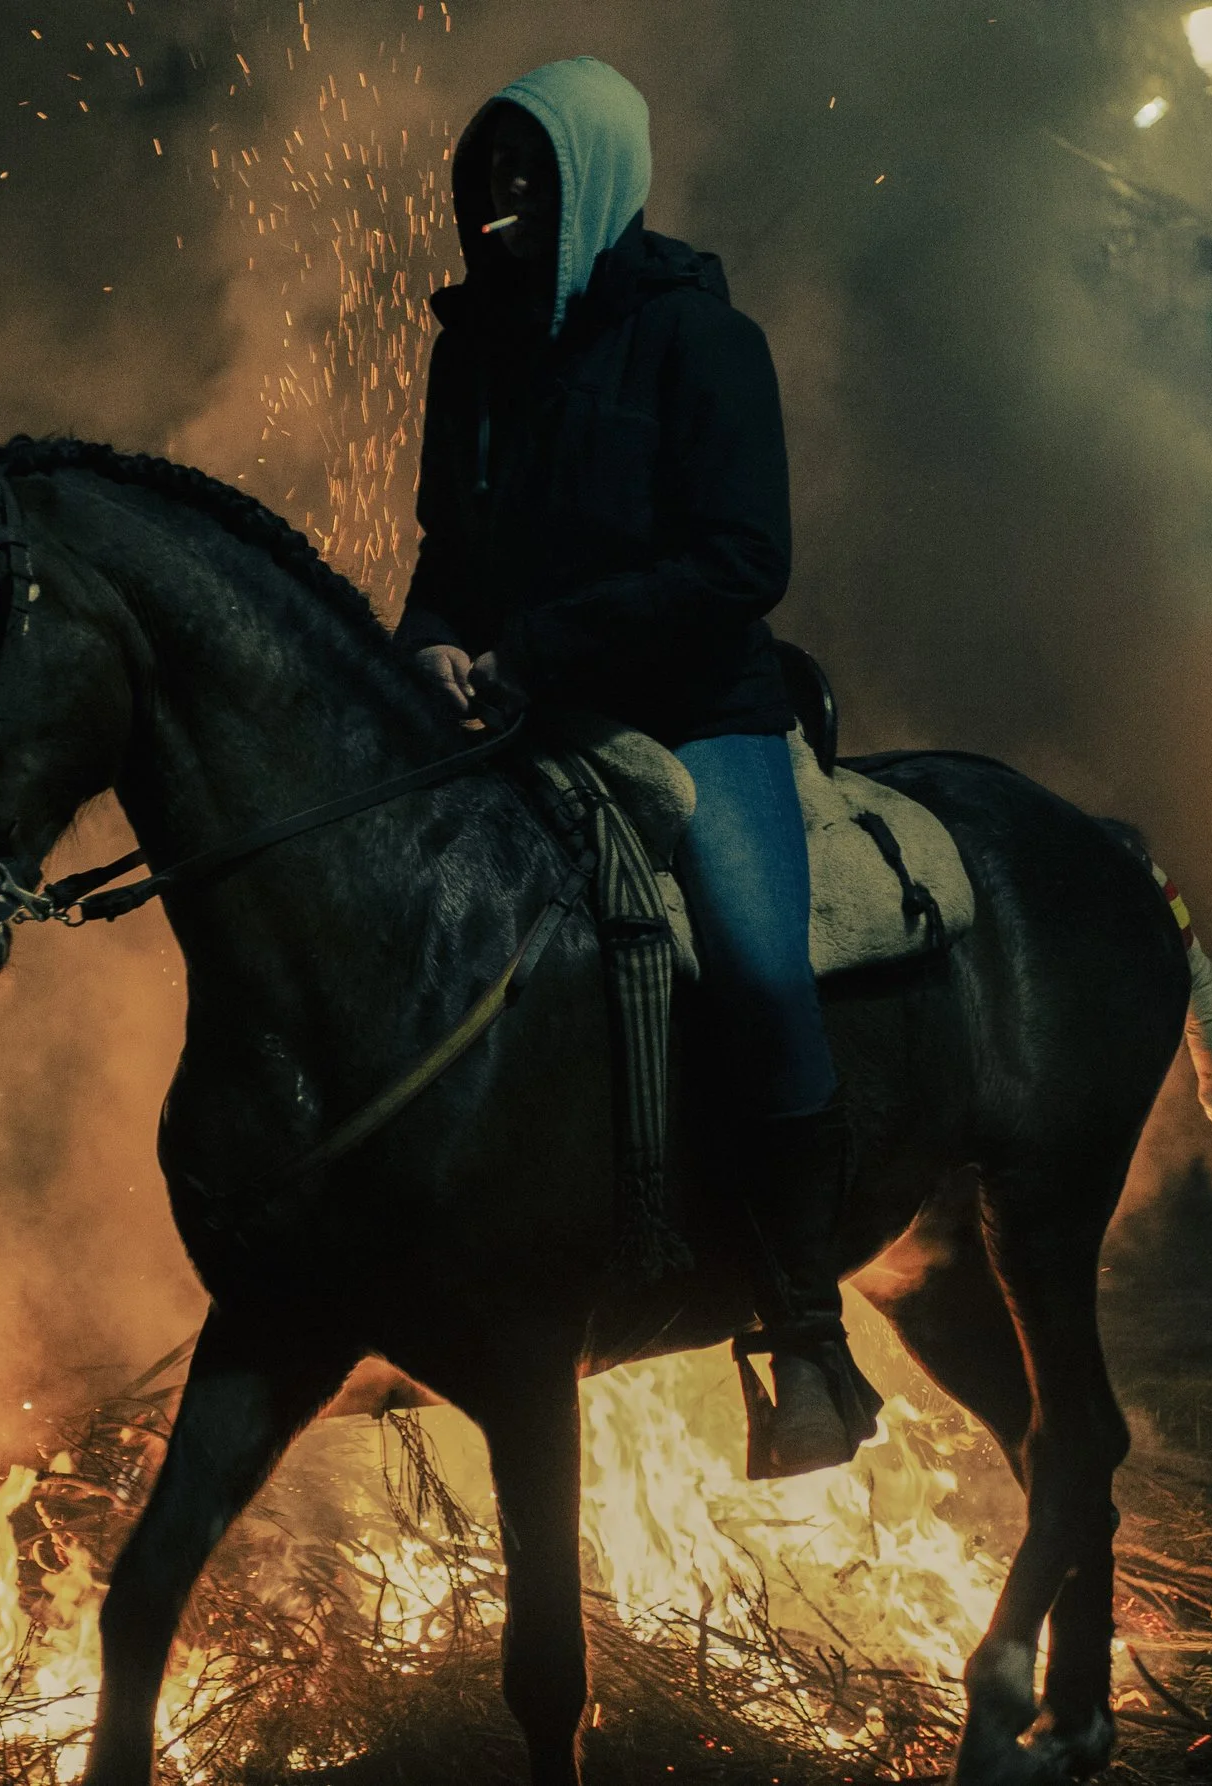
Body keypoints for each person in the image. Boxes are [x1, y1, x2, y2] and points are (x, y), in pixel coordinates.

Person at [393, 55, 881, 1476]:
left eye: (532, 175)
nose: (505, 201)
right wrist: (426, 640)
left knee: (755, 961)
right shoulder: (466, 349)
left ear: (596, 179)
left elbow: (744, 559)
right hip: (518, 707)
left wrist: (540, 645)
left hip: (694, 714)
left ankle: (806, 1339)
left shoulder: (698, 339)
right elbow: (444, 553)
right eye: (490, 177)